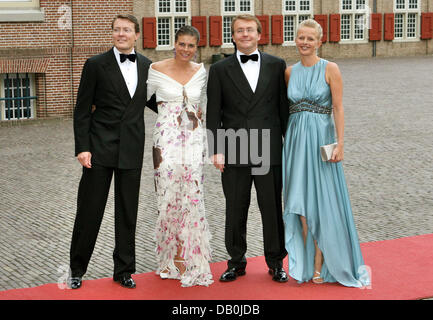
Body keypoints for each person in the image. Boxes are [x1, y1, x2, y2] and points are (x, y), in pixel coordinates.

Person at [68, 14, 157, 289]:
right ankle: (76, 269)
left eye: (126, 30)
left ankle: (124, 270)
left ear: (136, 34)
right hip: (98, 149)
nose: (121, 34)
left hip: (132, 147)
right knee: (89, 210)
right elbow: (82, 110)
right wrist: (82, 148)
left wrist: (186, 110)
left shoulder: (147, 66)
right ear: (112, 33)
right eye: (117, 30)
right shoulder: (95, 65)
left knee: (128, 211)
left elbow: (157, 103)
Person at [282, 19, 370, 287]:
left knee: (321, 201)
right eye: (300, 37)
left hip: (323, 142)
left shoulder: (330, 68)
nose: (304, 42)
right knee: (300, 204)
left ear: (320, 41)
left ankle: (322, 264)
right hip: (296, 143)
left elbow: (339, 109)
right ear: (295, 39)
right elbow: (286, 112)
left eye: (310, 38)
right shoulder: (288, 72)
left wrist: (340, 144)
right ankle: (308, 264)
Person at [206, 15, 289, 283]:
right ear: (232, 36)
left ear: (259, 35)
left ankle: (276, 262)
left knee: (272, 208)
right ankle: (236, 262)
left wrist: (290, 145)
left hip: (268, 147)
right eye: (239, 31)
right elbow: (213, 111)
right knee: (235, 208)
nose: (244, 34)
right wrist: (215, 149)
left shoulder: (277, 66)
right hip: (234, 147)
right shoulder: (219, 69)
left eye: (249, 30)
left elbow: (283, 109)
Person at [147, 25, 213, 287]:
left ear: (197, 48)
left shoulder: (201, 72)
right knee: (167, 195)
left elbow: (206, 103)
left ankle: (191, 257)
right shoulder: (155, 69)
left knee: (192, 196)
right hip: (165, 141)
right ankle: (168, 259)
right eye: (182, 44)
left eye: (191, 45)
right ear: (174, 44)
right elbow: (136, 98)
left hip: (194, 140)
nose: (186, 49)